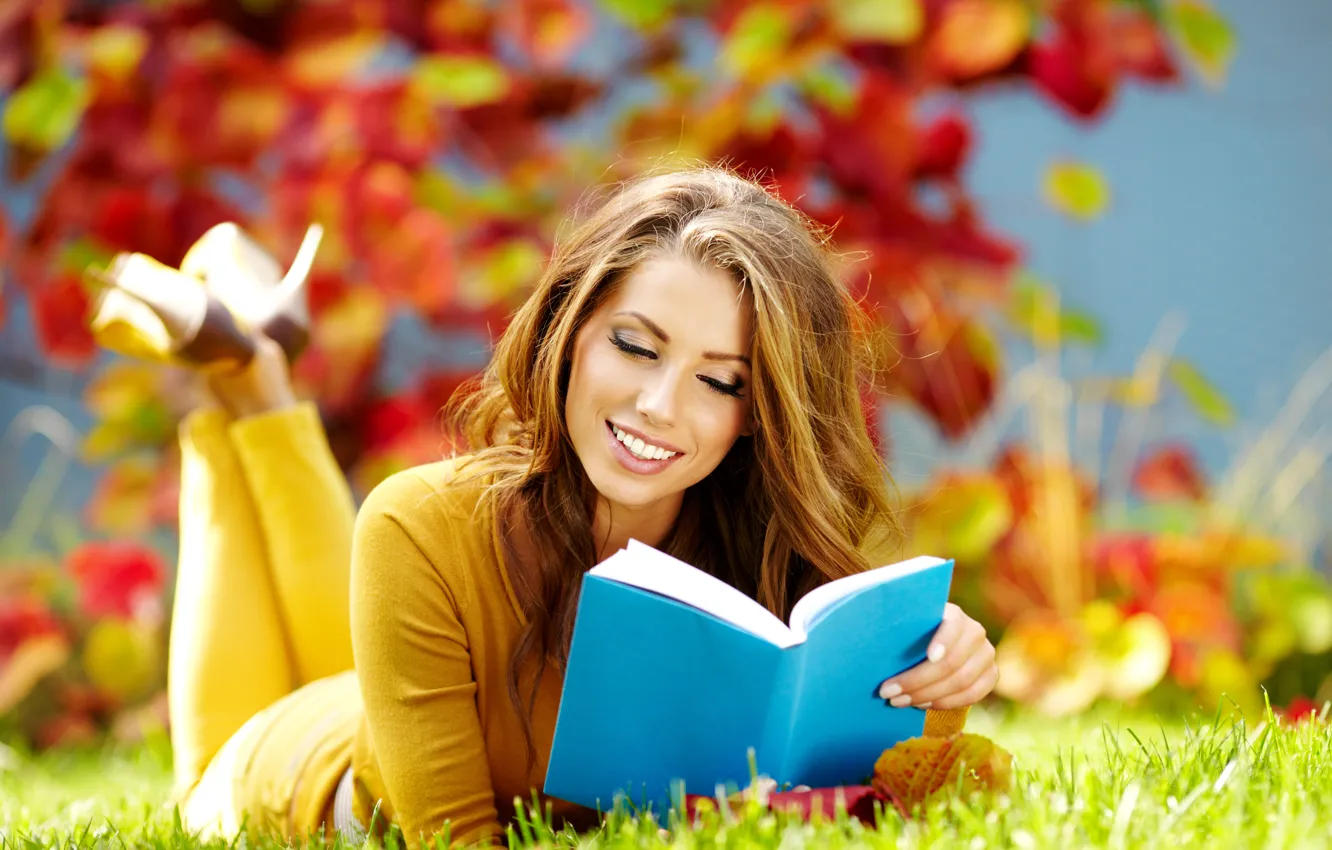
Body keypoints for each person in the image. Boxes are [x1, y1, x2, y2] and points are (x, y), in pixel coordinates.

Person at [87, 168, 999, 846]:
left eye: (718, 382)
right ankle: (236, 381)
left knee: (372, 617)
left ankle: (252, 358)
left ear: (762, 416)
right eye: (636, 348)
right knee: (213, 760)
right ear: (570, 328)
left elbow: (868, 801)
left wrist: (937, 680)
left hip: (401, 691)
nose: (659, 406)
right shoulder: (425, 525)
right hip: (296, 761)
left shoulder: (768, 565)